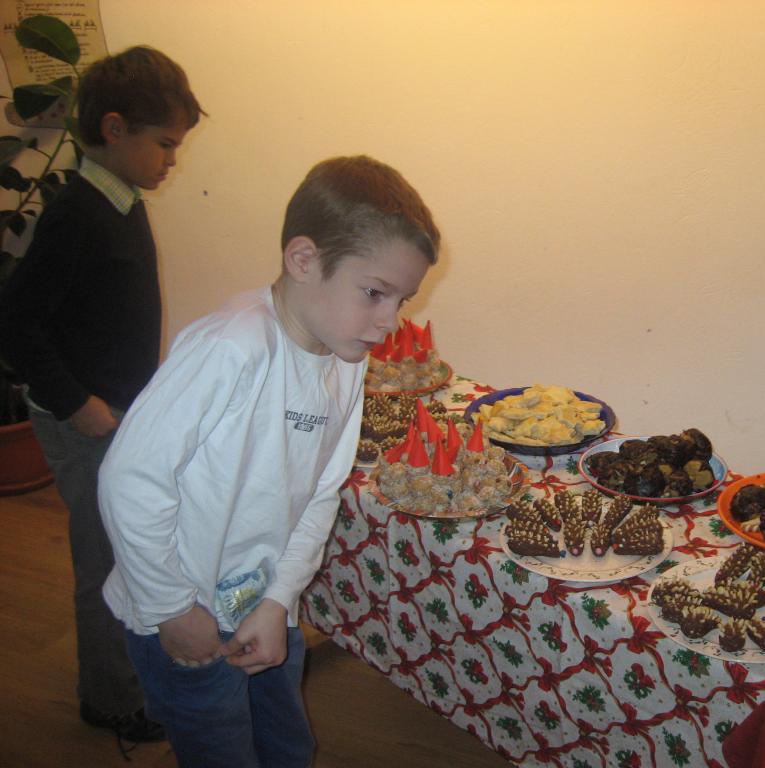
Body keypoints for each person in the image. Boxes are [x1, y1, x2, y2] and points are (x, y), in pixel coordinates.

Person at [97, 155, 440, 767]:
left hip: (261, 607)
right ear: (303, 260)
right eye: (375, 293)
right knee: (220, 751)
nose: (390, 322)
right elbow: (130, 480)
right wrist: (172, 609)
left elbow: (321, 493)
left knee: (286, 746)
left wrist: (280, 598)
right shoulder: (232, 348)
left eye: (402, 300)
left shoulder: (345, 361)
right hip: (180, 614)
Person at [0, 46, 203, 743]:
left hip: (120, 414)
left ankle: (135, 670)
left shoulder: (121, 200)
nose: (172, 161)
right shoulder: (76, 215)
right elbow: (16, 323)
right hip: (85, 422)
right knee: (105, 561)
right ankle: (110, 700)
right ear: (114, 129)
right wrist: (76, 403)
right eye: (164, 145)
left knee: (135, 546)